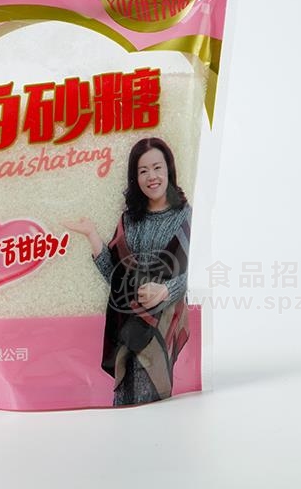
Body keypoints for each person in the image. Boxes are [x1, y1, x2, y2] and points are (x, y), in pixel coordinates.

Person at [64, 137, 191, 406]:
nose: (151, 176)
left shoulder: (185, 217)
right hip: (128, 329)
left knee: (157, 406)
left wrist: (166, 290)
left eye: (157, 168)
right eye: (143, 171)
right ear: (135, 177)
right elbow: (116, 278)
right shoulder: (129, 220)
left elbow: (195, 273)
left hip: (161, 328)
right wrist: (92, 236)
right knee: (126, 404)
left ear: (169, 169)